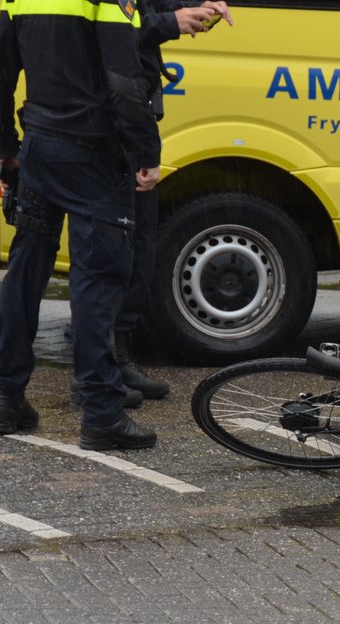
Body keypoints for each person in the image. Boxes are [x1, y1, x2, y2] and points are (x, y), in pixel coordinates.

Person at [0, 0, 162, 449]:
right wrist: (146, 153)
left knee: (24, 274)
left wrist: (7, 148)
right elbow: (124, 83)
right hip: (94, 158)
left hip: (40, 153)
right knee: (97, 282)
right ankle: (101, 413)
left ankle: (8, 399)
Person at [106, 0, 232, 402]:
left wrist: (196, 10)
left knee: (140, 249)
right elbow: (111, 36)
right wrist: (169, 22)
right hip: (111, 128)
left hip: (132, 122)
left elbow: (150, 12)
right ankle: (98, 371)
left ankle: (118, 358)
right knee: (112, 256)